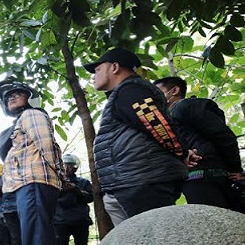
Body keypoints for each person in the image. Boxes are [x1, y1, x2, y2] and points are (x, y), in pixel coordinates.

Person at [83, 47, 195, 226]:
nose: (93, 76)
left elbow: (157, 124)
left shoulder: (131, 90)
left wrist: (181, 152)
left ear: (114, 67)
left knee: (154, 242)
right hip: (131, 182)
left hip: (143, 182)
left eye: (97, 69)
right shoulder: (124, 93)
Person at [0, 78, 74, 245]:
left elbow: (47, 145)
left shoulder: (32, 114)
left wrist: (59, 175)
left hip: (33, 181)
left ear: (31, 98)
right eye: (7, 96)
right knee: (44, 233)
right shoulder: (22, 121)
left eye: (18, 93)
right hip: (31, 183)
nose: (11, 96)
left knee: (35, 234)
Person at [153, 76, 245, 211]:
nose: (154, 98)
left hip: (204, 175)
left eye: (158, 92)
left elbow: (223, 136)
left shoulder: (185, 107)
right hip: (195, 177)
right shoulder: (170, 116)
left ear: (174, 90)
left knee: (213, 222)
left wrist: (235, 168)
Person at [53, 154, 93, 245]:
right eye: (65, 165)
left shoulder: (83, 182)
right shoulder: (54, 182)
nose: (68, 168)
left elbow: (90, 198)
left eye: (71, 166)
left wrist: (76, 190)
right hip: (60, 221)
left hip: (81, 221)